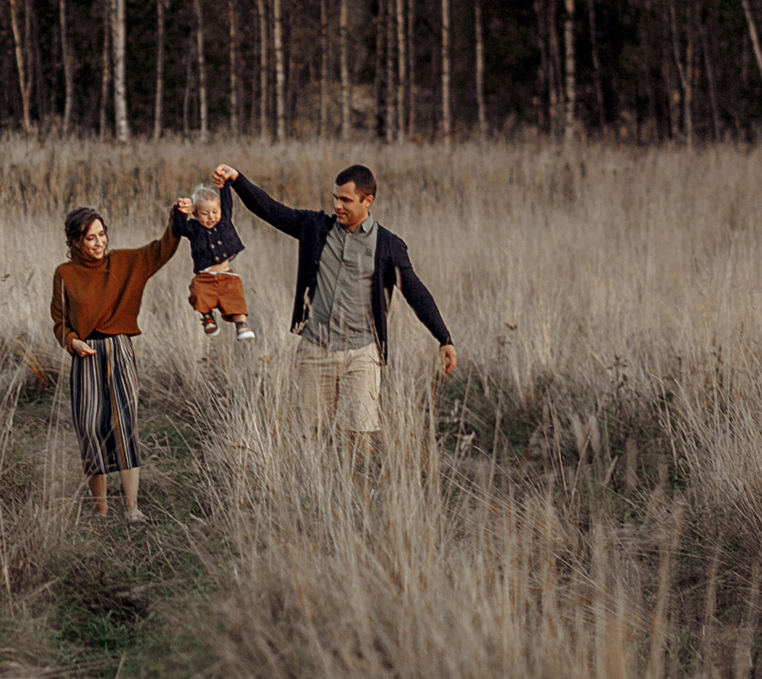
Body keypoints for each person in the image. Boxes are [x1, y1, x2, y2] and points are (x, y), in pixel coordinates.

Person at [211, 162, 457, 451]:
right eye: (335, 198)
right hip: (316, 350)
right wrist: (237, 180)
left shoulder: (387, 245)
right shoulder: (315, 228)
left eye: (346, 200)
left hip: (362, 354)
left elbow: (414, 291)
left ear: (368, 201)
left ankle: (357, 492)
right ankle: (315, 494)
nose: (337, 205)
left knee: (359, 442)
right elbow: (271, 210)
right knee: (311, 439)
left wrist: (444, 338)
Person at [49, 200, 187, 522]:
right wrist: (71, 342)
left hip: (120, 352)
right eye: (91, 238)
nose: (99, 243)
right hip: (85, 356)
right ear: (75, 242)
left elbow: (162, 249)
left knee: (124, 426)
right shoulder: (64, 274)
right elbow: (59, 321)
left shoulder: (126, 263)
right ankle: (101, 508)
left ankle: (132, 508)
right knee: (90, 429)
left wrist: (176, 217)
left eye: (102, 235)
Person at [173, 185, 255, 339]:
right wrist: (180, 210)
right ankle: (207, 317)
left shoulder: (224, 222)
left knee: (236, 295)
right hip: (205, 278)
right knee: (198, 293)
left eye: (214, 212)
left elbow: (226, 202)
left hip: (226, 275)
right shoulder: (194, 229)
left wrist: (224, 184)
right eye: (205, 213)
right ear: (196, 215)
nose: (211, 217)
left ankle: (241, 325)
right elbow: (178, 227)